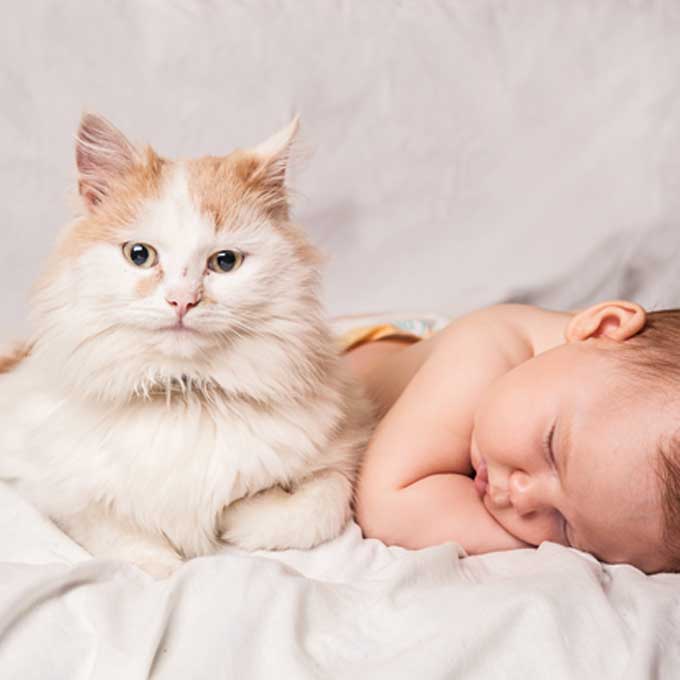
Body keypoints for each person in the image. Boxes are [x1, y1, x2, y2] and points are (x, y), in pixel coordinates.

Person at [340, 301, 680, 574]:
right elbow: (390, 507)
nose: (523, 496)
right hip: (357, 351)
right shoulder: (484, 350)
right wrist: (530, 546)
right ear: (602, 328)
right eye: (551, 448)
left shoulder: (579, 388)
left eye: (565, 527)